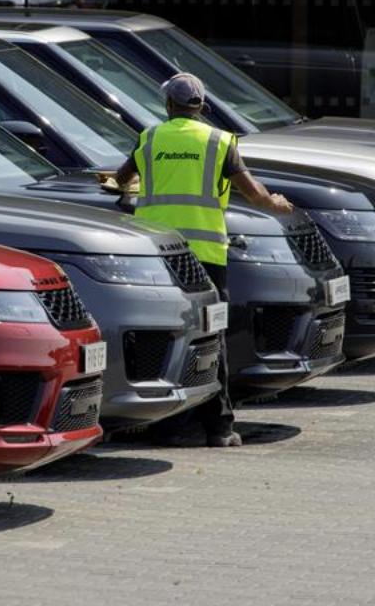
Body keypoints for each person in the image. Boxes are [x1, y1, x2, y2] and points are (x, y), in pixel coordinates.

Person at [114, 73, 294, 447]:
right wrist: (274, 203)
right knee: (212, 338)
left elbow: (120, 179)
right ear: (201, 106)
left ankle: (164, 423)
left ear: (168, 105)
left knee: (164, 335)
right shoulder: (218, 141)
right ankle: (219, 428)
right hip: (208, 257)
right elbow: (254, 192)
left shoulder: (149, 139)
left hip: (159, 256)